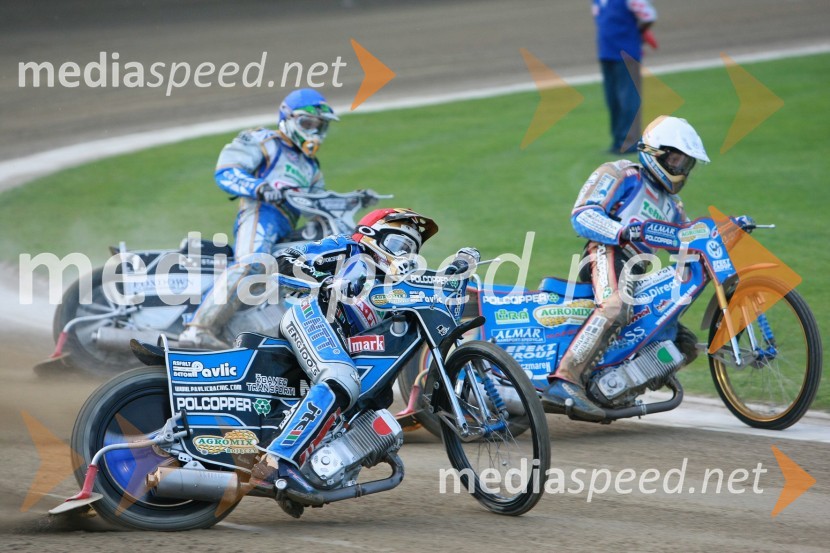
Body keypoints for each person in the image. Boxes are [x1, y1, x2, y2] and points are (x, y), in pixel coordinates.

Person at [249, 209, 477, 502]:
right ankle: (275, 464)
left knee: (372, 408)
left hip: (343, 342)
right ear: (371, 235)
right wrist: (324, 281)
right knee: (341, 379)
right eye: (398, 244)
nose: (404, 255)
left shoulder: (399, 284)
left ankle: (310, 470)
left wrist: (459, 268)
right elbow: (284, 260)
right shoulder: (348, 247)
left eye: (411, 249)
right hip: (313, 316)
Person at [542, 115, 709, 420]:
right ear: (656, 153)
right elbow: (582, 214)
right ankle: (565, 380)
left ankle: (617, 389)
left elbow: (687, 245)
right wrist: (620, 231)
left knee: (682, 343)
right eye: (676, 160)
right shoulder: (621, 173)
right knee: (616, 306)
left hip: (637, 271)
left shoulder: (675, 207)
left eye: (687, 164)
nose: (682, 169)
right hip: (606, 251)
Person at [179, 88, 339, 349]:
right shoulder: (265, 141)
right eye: (307, 123)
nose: (313, 131)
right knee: (253, 262)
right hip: (262, 212)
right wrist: (260, 188)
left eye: (319, 126)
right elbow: (226, 171)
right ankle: (198, 329)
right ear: (288, 118)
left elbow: (317, 206)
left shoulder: (311, 167)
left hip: (287, 229)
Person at [592, 0, 658, 154]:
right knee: (613, 99)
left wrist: (637, 33)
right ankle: (618, 141)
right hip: (606, 52)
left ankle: (630, 142)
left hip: (627, 52)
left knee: (628, 98)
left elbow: (648, 16)